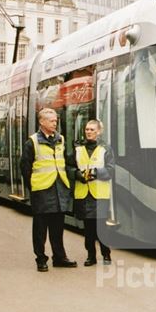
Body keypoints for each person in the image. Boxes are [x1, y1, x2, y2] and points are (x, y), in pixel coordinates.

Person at [20, 108, 76, 272]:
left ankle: (59, 257)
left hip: (59, 189)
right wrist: (34, 187)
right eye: (51, 121)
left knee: (57, 227)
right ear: (42, 122)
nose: (55, 123)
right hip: (42, 190)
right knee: (40, 228)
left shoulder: (61, 139)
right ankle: (41, 259)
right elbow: (25, 167)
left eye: (55, 121)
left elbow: (64, 161)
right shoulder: (32, 142)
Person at [74, 119, 114, 266]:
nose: (88, 132)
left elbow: (110, 170)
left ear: (99, 132)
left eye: (92, 130)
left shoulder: (106, 149)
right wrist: (77, 175)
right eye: (87, 129)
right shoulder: (78, 148)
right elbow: (70, 167)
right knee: (88, 228)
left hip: (99, 194)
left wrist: (94, 173)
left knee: (102, 227)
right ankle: (91, 256)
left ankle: (106, 254)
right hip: (83, 194)